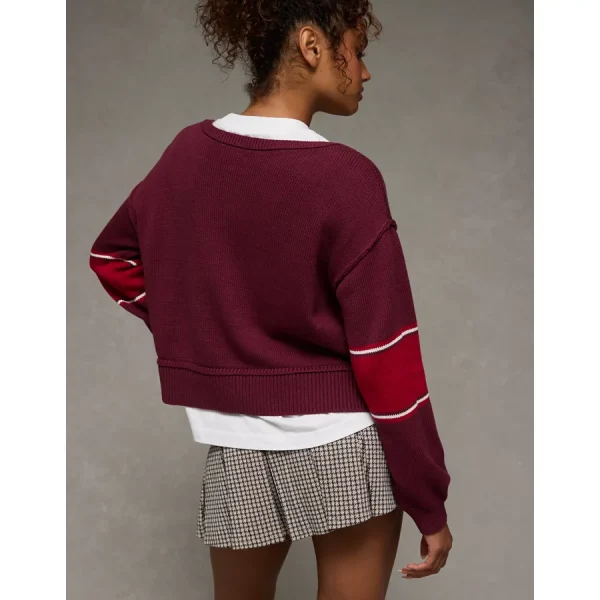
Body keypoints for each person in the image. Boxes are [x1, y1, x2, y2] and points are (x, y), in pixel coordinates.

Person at [88, 1, 453, 598]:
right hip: (345, 439)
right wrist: (428, 500)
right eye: (357, 51)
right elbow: (386, 355)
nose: (365, 72)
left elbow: (113, 259)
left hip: (236, 439)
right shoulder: (347, 177)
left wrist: (203, 326)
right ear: (312, 46)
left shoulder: (186, 154)